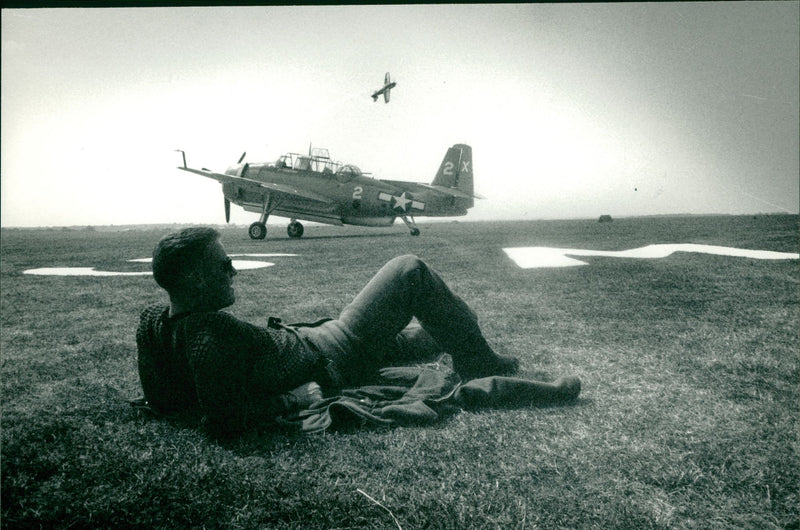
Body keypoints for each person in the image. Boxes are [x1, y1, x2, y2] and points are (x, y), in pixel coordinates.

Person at [136, 227, 580, 436]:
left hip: (318, 341)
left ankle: (462, 341)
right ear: (195, 279)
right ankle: (480, 362)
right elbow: (224, 422)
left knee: (430, 335)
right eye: (223, 264)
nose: (233, 270)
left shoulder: (154, 323)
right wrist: (293, 400)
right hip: (336, 350)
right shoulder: (207, 334)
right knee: (409, 271)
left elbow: (163, 400)